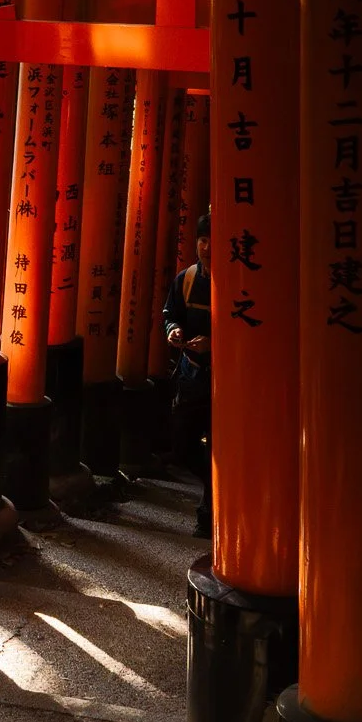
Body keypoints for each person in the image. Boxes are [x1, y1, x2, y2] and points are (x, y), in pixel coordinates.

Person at [163, 211, 212, 537]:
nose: (207, 247)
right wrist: (174, 329)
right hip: (191, 375)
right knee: (181, 446)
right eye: (203, 240)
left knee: (219, 449)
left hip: (226, 379)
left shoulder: (239, 282)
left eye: (214, 241)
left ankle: (207, 517)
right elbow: (171, 313)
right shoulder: (188, 278)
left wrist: (215, 344)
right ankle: (215, 489)